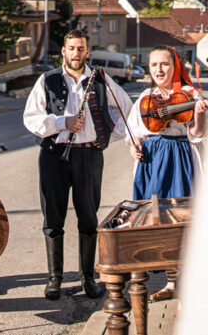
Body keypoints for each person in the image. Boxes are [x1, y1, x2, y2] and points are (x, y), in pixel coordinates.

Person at [23, 29, 133, 300]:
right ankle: (54, 279)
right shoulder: (47, 80)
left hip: (88, 156)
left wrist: (107, 136)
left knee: (88, 218)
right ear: (63, 50)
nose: (76, 53)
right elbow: (31, 118)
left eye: (81, 48)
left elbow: (126, 108)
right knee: (53, 218)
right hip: (53, 154)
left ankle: (87, 279)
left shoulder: (100, 79)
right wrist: (62, 123)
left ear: (87, 51)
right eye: (71, 48)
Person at [125, 46, 208, 301]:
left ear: (175, 66)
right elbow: (135, 132)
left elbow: (197, 134)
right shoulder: (146, 97)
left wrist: (200, 114)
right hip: (151, 160)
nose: (159, 70)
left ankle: (192, 282)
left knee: (182, 219)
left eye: (164, 64)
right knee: (156, 218)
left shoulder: (190, 94)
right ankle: (172, 284)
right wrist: (135, 146)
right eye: (154, 65)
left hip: (180, 157)